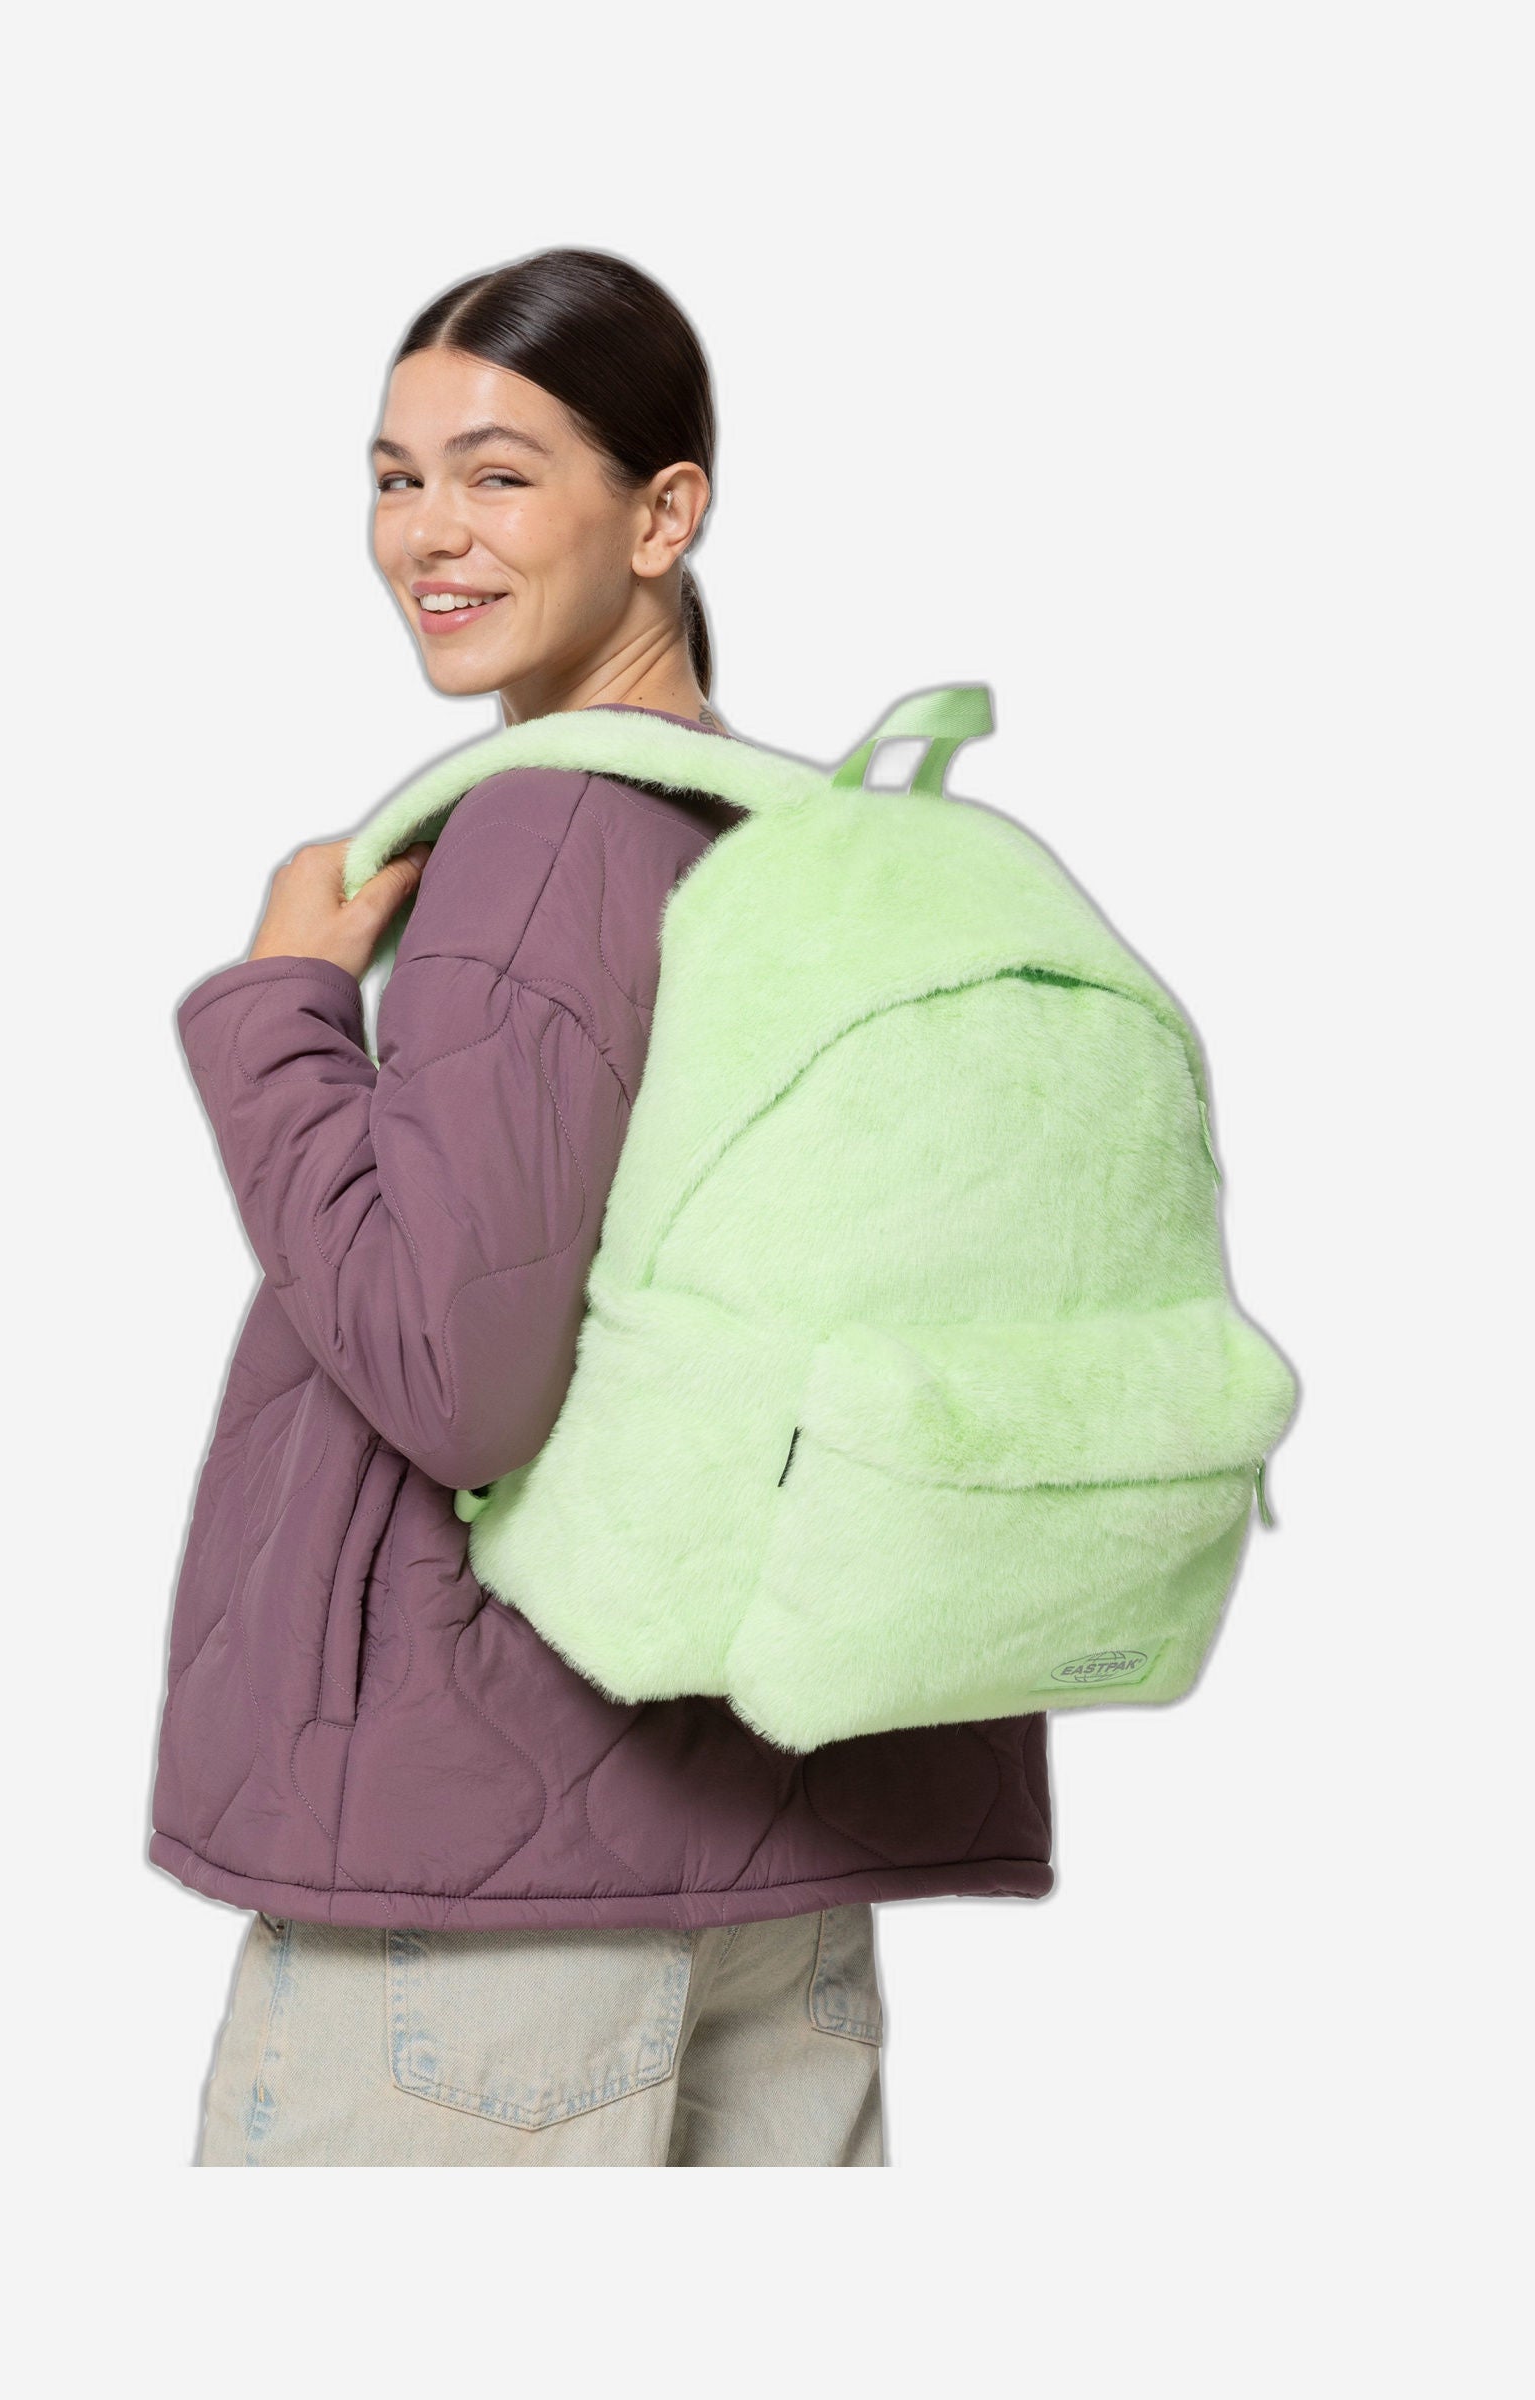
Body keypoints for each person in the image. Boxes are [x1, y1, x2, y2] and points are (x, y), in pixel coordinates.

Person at [156, 247, 1055, 2168]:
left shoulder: (545, 831)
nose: (428, 533)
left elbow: (457, 1376)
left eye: (498, 474)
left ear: (663, 515)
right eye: (395, 477)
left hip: (487, 1917)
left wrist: (281, 1014)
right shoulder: (786, 836)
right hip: (776, 1872)